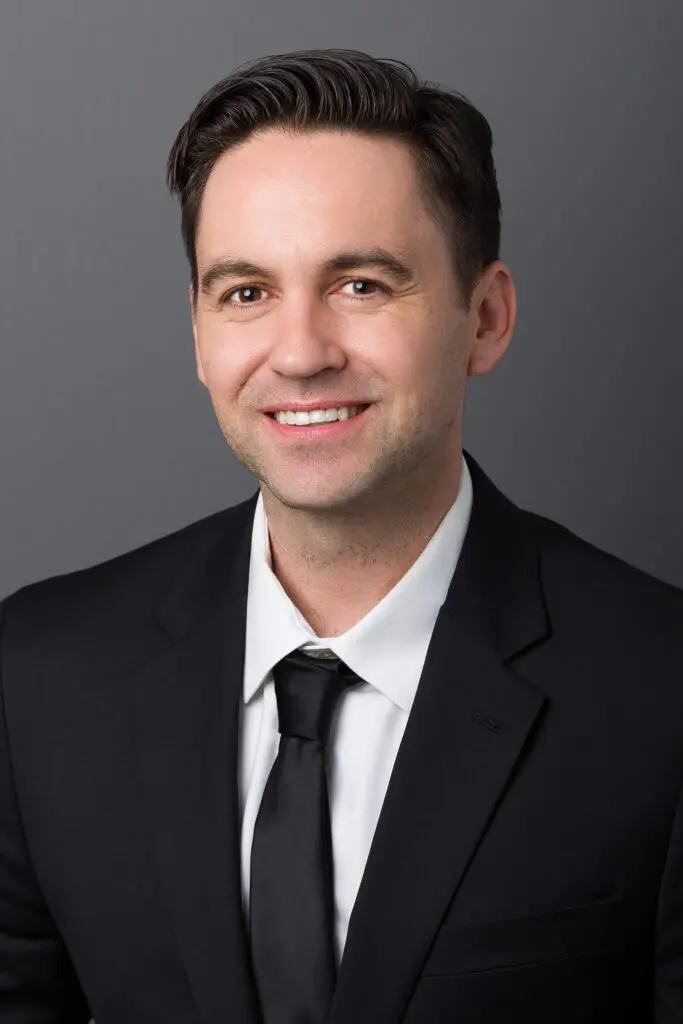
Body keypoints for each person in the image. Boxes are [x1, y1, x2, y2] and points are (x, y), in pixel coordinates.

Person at [1, 46, 682, 1024]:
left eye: (359, 284)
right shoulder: (39, 678)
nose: (300, 351)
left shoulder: (659, 691)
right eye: (245, 292)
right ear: (198, 334)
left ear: (483, 318)